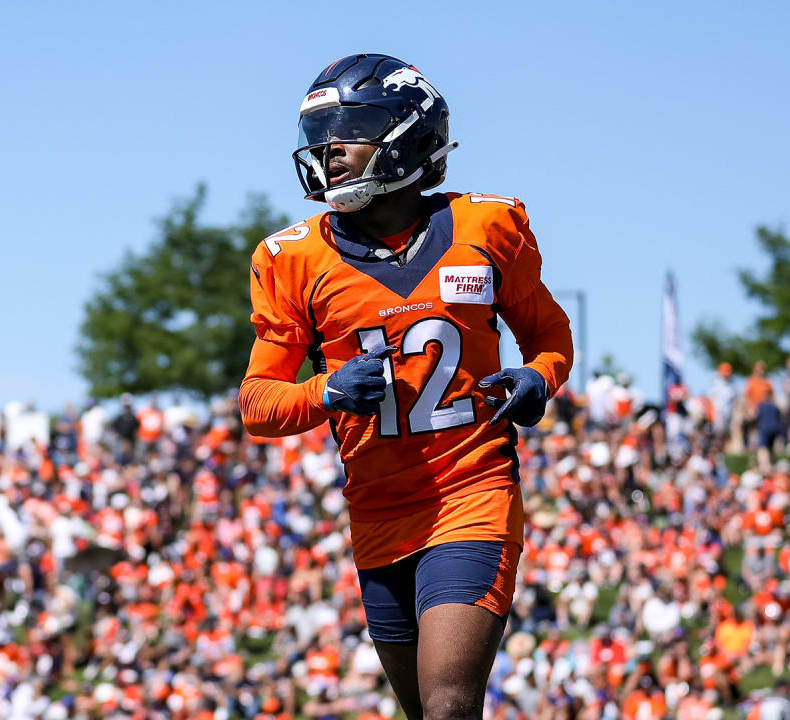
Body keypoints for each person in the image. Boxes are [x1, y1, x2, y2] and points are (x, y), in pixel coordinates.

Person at [238, 54, 573, 720]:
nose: (328, 151)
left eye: (347, 129)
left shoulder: (487, 229)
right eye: (321, 134)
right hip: (377, 510)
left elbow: (550, 336)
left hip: (470, 491)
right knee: (425, 710)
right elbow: (257, 404)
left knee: (449, 704)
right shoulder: (294, 258)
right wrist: (324, 392)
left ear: (405, 133)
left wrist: (541, 377)